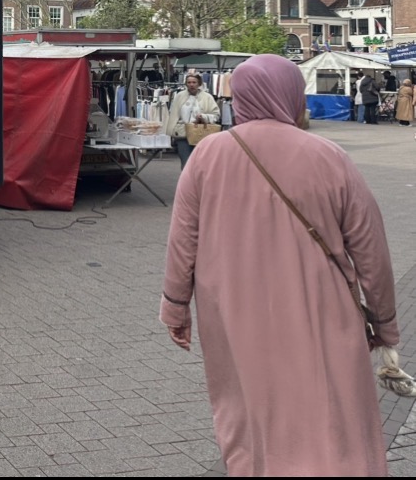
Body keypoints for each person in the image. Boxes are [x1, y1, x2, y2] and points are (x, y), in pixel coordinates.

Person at [160, 54, 399, 477]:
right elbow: (371, 251)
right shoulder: (329, 156)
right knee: (333, 417)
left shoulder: (207, 155)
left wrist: (175, 307)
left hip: (234, 317)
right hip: (321, 313)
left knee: (252, 416)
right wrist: (384, 323)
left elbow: (183, 242)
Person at [162, 72, 220, 168]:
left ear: (199, 83)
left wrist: (204, 117)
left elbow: (216, 115)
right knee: (186, 163)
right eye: (189, 82)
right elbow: (173, 114)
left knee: (200, 164)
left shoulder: (207, 97)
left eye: (194, 82)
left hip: (201, 134)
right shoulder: (179, 96)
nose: (191, 85)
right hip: (183, 134)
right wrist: (171, 130)